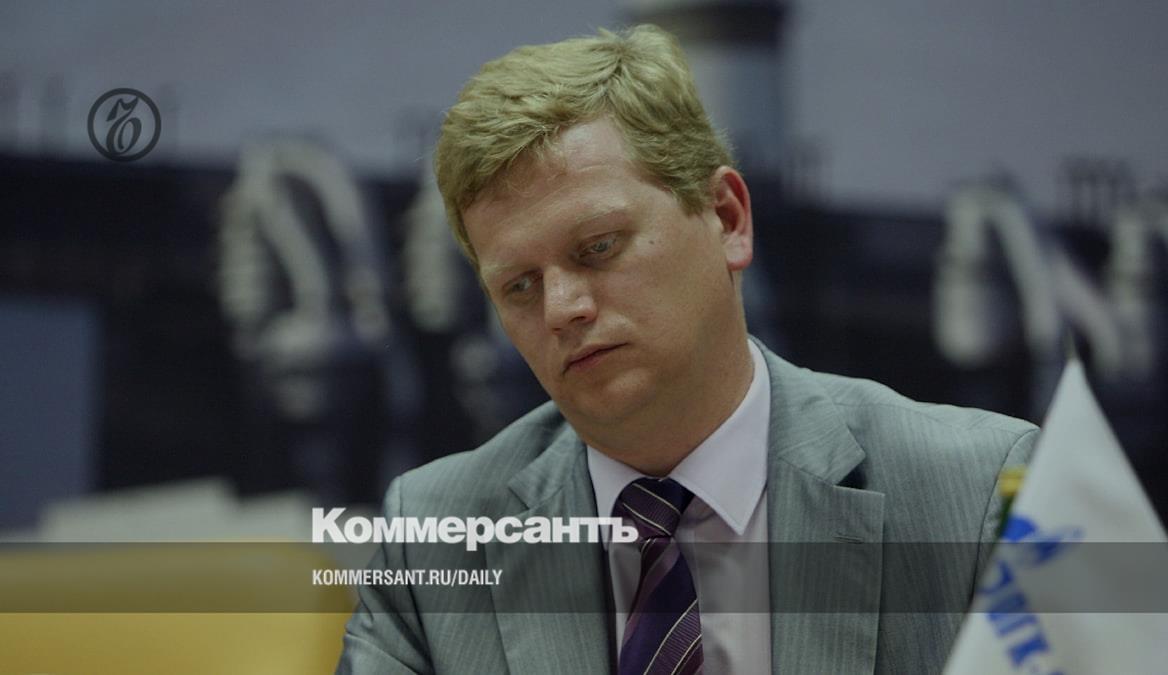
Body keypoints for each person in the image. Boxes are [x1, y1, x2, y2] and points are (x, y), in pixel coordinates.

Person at [336, 24, 1036, 674]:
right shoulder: (431, 537)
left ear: (727, 219)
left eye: (598, 247)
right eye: (519, 285)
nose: (562, 309)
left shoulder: (982, 493)